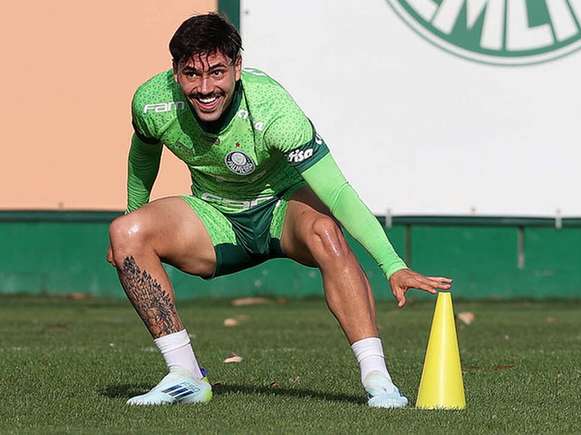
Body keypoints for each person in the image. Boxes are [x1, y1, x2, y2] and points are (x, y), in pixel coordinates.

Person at [106, 13, 452, 408]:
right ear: (175, 72)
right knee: (125, 233)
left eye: (217, 72)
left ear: (237, 67)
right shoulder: (153, 103)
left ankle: (378, 380)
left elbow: (337, 193)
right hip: (215, 218)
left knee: (326, 231)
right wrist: (135, 212)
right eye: (191, 75)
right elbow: (143, 152)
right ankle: (185, 377)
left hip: (283, 209)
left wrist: (392, 265)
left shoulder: (274, 111)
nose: (205, 89)